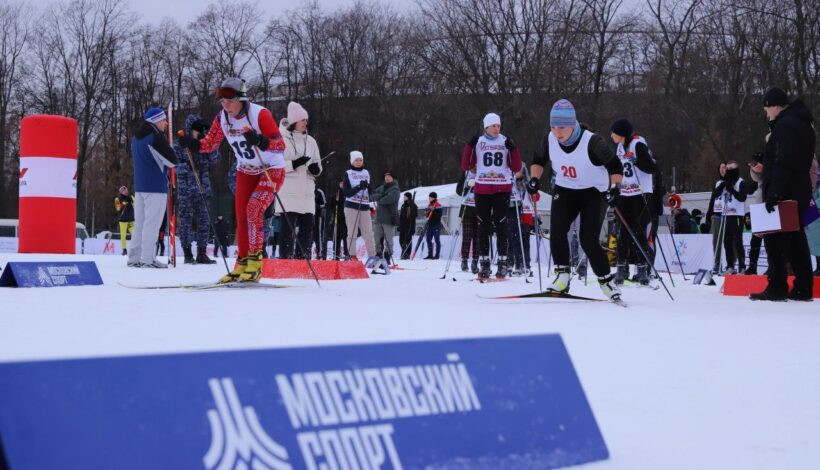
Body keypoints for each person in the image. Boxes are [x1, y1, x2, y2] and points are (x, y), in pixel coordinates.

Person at [178, 77, 286, 282]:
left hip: (270, 169)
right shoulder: (222, 117)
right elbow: (210, 144)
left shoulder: (260, 114)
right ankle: (242, 263)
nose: (225, 106)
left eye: (230, 101)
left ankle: (255, 263)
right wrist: (193, 144)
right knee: (242, 216)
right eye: (222, 101)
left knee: (254, 208)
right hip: (245, 170)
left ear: (241, 99)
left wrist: (261, 141)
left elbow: (280, 145)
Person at [526, 99, 624, 302]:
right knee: (557, 231)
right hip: (565, 189)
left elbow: (615, 166)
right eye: (553, 127)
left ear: (572, 124)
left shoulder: (593, 142)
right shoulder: (549, 139)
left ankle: (606, 282)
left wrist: (615, 189)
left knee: (587, 238)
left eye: (561, 127)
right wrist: (534, 179)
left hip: (593, 192)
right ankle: (562, 276)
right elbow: (538, 160)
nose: (557, 132)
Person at [751, 87, 815, 301]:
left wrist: (775, 192)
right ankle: (803, 287)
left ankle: (777, 286)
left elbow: (783, 161)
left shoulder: (785, 125)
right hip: (799, 188)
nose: (766, 112)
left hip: (786, 190)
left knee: (775, 239)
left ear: (775, 106)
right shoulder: (803, 123)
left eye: (766, 108)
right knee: (796, 240)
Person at [460, 113, 522, 278]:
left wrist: (513, 149)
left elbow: (516, 167)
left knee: (501, 225)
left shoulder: (505, 141)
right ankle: (484, 264)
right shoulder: (479, 142)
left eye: (498, 126)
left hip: (502, 189)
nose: (496, 128)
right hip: (482, 189)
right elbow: (466, 165)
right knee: (483, 225)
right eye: (493, 125)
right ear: (486, 127)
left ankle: (502, 263)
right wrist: (469, 146)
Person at [127, 107, 178, 268]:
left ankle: (134, 258)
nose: (166, 123)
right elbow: (172, 161)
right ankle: (148, 259)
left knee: (139, 224)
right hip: (156, 187)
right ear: (156, 121)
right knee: (152, 224)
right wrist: (171, 150)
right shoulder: (155, 137)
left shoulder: (136, 137)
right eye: (163, 120)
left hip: (140, 186)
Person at [610, 119, 656, 285]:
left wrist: (635, 160)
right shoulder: (619, 147)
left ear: (621, 133)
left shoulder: (638, 144)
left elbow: (651, 167)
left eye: (613, 132)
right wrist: (613, 188)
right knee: (623, 231)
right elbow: (616, 169)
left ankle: (642, 268)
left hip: (640, 194)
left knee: (637, 230)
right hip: (624, 194)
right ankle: (621, 268)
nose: (611, 135)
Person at [274, 102, 322, 259]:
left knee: (307, 227)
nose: (305, 123)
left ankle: (303, 257)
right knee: (288, 227)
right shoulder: (281, 139)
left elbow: (318, 163)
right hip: (289, 191)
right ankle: (285, 257)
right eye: (302, 120)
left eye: (306, 120)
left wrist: (316, 169)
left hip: (307, 191)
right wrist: (294, 164)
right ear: (294, 121)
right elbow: (275, 165)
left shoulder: (311, 141)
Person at [174, 114, 219, 265]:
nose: (200, 131)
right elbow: (174, 166)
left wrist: (203, 146)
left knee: (204, 221)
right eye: (197, 128)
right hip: (186, 189)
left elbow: (215, 158)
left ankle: (202, 253)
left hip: (203, 188)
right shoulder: (179, 144)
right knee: (185, 221)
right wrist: (188, 167)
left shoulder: (205, 143)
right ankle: (187, 253)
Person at [343, 151, 378, 263]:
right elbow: (347, 193)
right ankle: (352, 255)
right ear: (352, 161)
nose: (359, 162)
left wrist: (368, 187)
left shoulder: (366, 172)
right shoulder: (348, 173)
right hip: (351, 206)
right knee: (352, 233)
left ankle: (373, 256)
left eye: (360, 160)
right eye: (356, 160)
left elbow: (372, 189)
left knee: (368, 233)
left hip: (364, 206)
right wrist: (359, 186)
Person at [717, 161, 749, 274]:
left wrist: (732, 190)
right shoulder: (725, 181)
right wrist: (723, 185)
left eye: (731, 168)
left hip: (737, 215)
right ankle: (730, 266)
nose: (729, 170)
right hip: (726, 214)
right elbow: (716, 194)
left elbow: (742, 198)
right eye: (728, 168)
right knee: (727, 241)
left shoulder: (741, 182)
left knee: (738, 241)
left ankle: (742, 266)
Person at [371, 170, 400, 263]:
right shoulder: (382, 188)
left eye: (389, 176)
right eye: (386, 176)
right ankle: (378, 254)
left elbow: (387, 200)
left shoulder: (395, 190)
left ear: (393, 178)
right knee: (376, 238)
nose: (387, 178)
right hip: (378, 218)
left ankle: (387, 255)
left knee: (388, 240)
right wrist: (381, 195)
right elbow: (372, 195)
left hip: (389, 218)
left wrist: (379, 199)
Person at [705, 163, 728, 273]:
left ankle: (731, 264)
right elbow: (713, 197)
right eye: (721, 168)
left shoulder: (733, 181)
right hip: (717, 214)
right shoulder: (718, 183)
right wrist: (709, 213)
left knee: (729, 240)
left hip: (729, 214)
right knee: (716, 241)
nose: (722, 169)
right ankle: (717, 263)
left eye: (724, 167)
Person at [455, 172, 478, 273]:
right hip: (467, 208)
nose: (475, 167)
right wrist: (468, 185)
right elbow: (459, 191)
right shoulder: (466, 174)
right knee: (467, 236)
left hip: (480, 209)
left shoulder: (482, 171)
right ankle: (464, 260)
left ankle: (475, 260)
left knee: (478, 237)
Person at [745, 153, 764, 274]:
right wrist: (754, 169)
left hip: (771, 204)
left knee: (771, 240)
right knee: (755, 239)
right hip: (760, 205)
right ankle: (752, 265)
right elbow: (756, 179)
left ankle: (774, 267)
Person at [328, 181, 349, 259]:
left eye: (344, 184)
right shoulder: (336, 195)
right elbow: (331, 206)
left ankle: (347, 253)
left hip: (345, 219)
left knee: (346, 237)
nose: (342, 185)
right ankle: (336, 254)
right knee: (337, 237)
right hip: (337, 219)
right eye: (341, 184)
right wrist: (334, 203)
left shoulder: (347, 195)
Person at [114, 186, 134, 255]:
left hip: (131, 219)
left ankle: (135, 249)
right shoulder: (117, 199)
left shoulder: (131, 197)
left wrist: (132, 201)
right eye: (125, 190)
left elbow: (136, 204)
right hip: (123, 220)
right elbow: (118, 208)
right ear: (122, 191)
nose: (127, 191)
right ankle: (124, 249)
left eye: (127, 190)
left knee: (134, 234)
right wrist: (124, 203)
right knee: (123, 235)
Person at [423, 192, 444, 259]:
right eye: (429, 197)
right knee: (428, 239)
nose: (429, 198)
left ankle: (437, 255)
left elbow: (439, 215)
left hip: (436, 225)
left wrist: (434, 210)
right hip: (430, 225)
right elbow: (427, 214)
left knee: (437, 240)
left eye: (430, 197)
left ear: (434, 198)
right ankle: (430, 254)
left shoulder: (438, 205)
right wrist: (427, 212)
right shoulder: (429, 205)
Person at [398, 192, 417, 260]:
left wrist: (411, 209)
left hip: (409, 225)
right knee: (401, 240)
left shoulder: (413, 205)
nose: (404, 198)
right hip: (403, 225)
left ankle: (407, 254)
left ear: (408, 197)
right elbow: (401, 216)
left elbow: (413, 216)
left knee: (408, 240)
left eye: (405, 196)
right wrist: (399, 225)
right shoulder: (403, 205)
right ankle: (404, 251)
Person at [313, 188, 327, 259]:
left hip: (318, 217)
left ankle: (319, 252)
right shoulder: (305, 189)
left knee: (318, 234)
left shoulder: (319, 191)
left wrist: (317, 205)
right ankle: (306, 252)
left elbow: (324, 204)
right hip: (308, 215)